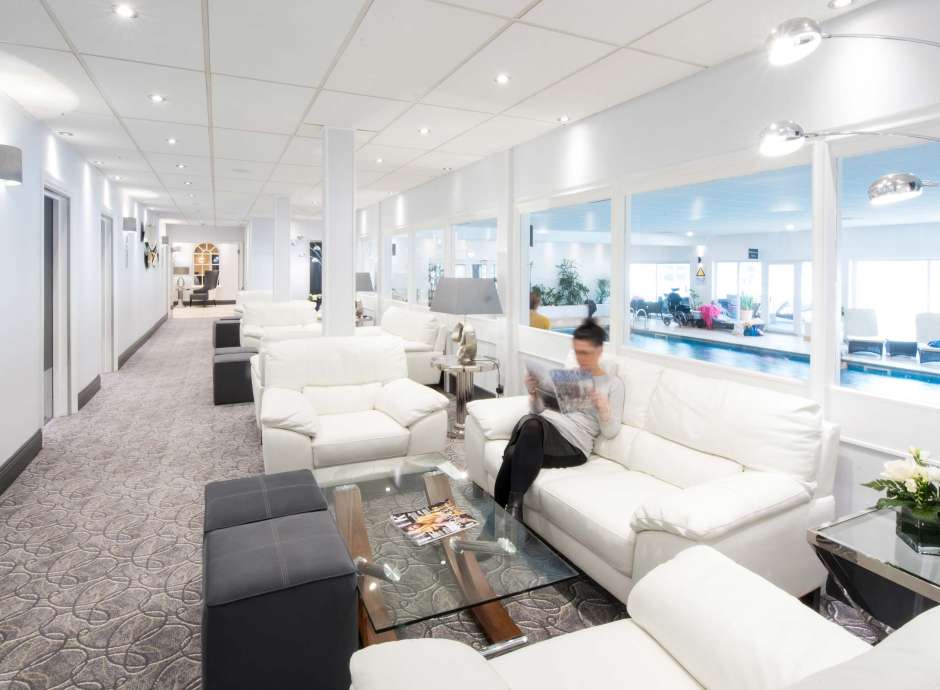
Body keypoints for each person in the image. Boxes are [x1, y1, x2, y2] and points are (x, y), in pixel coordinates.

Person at [494, 318, 624, 522]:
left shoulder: (612, 384)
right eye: (577, 352)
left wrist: (604, 409)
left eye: (585, 353)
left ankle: (501, 520)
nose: (580, 359)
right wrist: (534, 393)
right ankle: (511, 514)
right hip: (542, 432)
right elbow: (538, 410)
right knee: (529, 426)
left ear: (599, 351)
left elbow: (611, 431)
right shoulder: (568, 376)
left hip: (573, 445)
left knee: (516, 449)